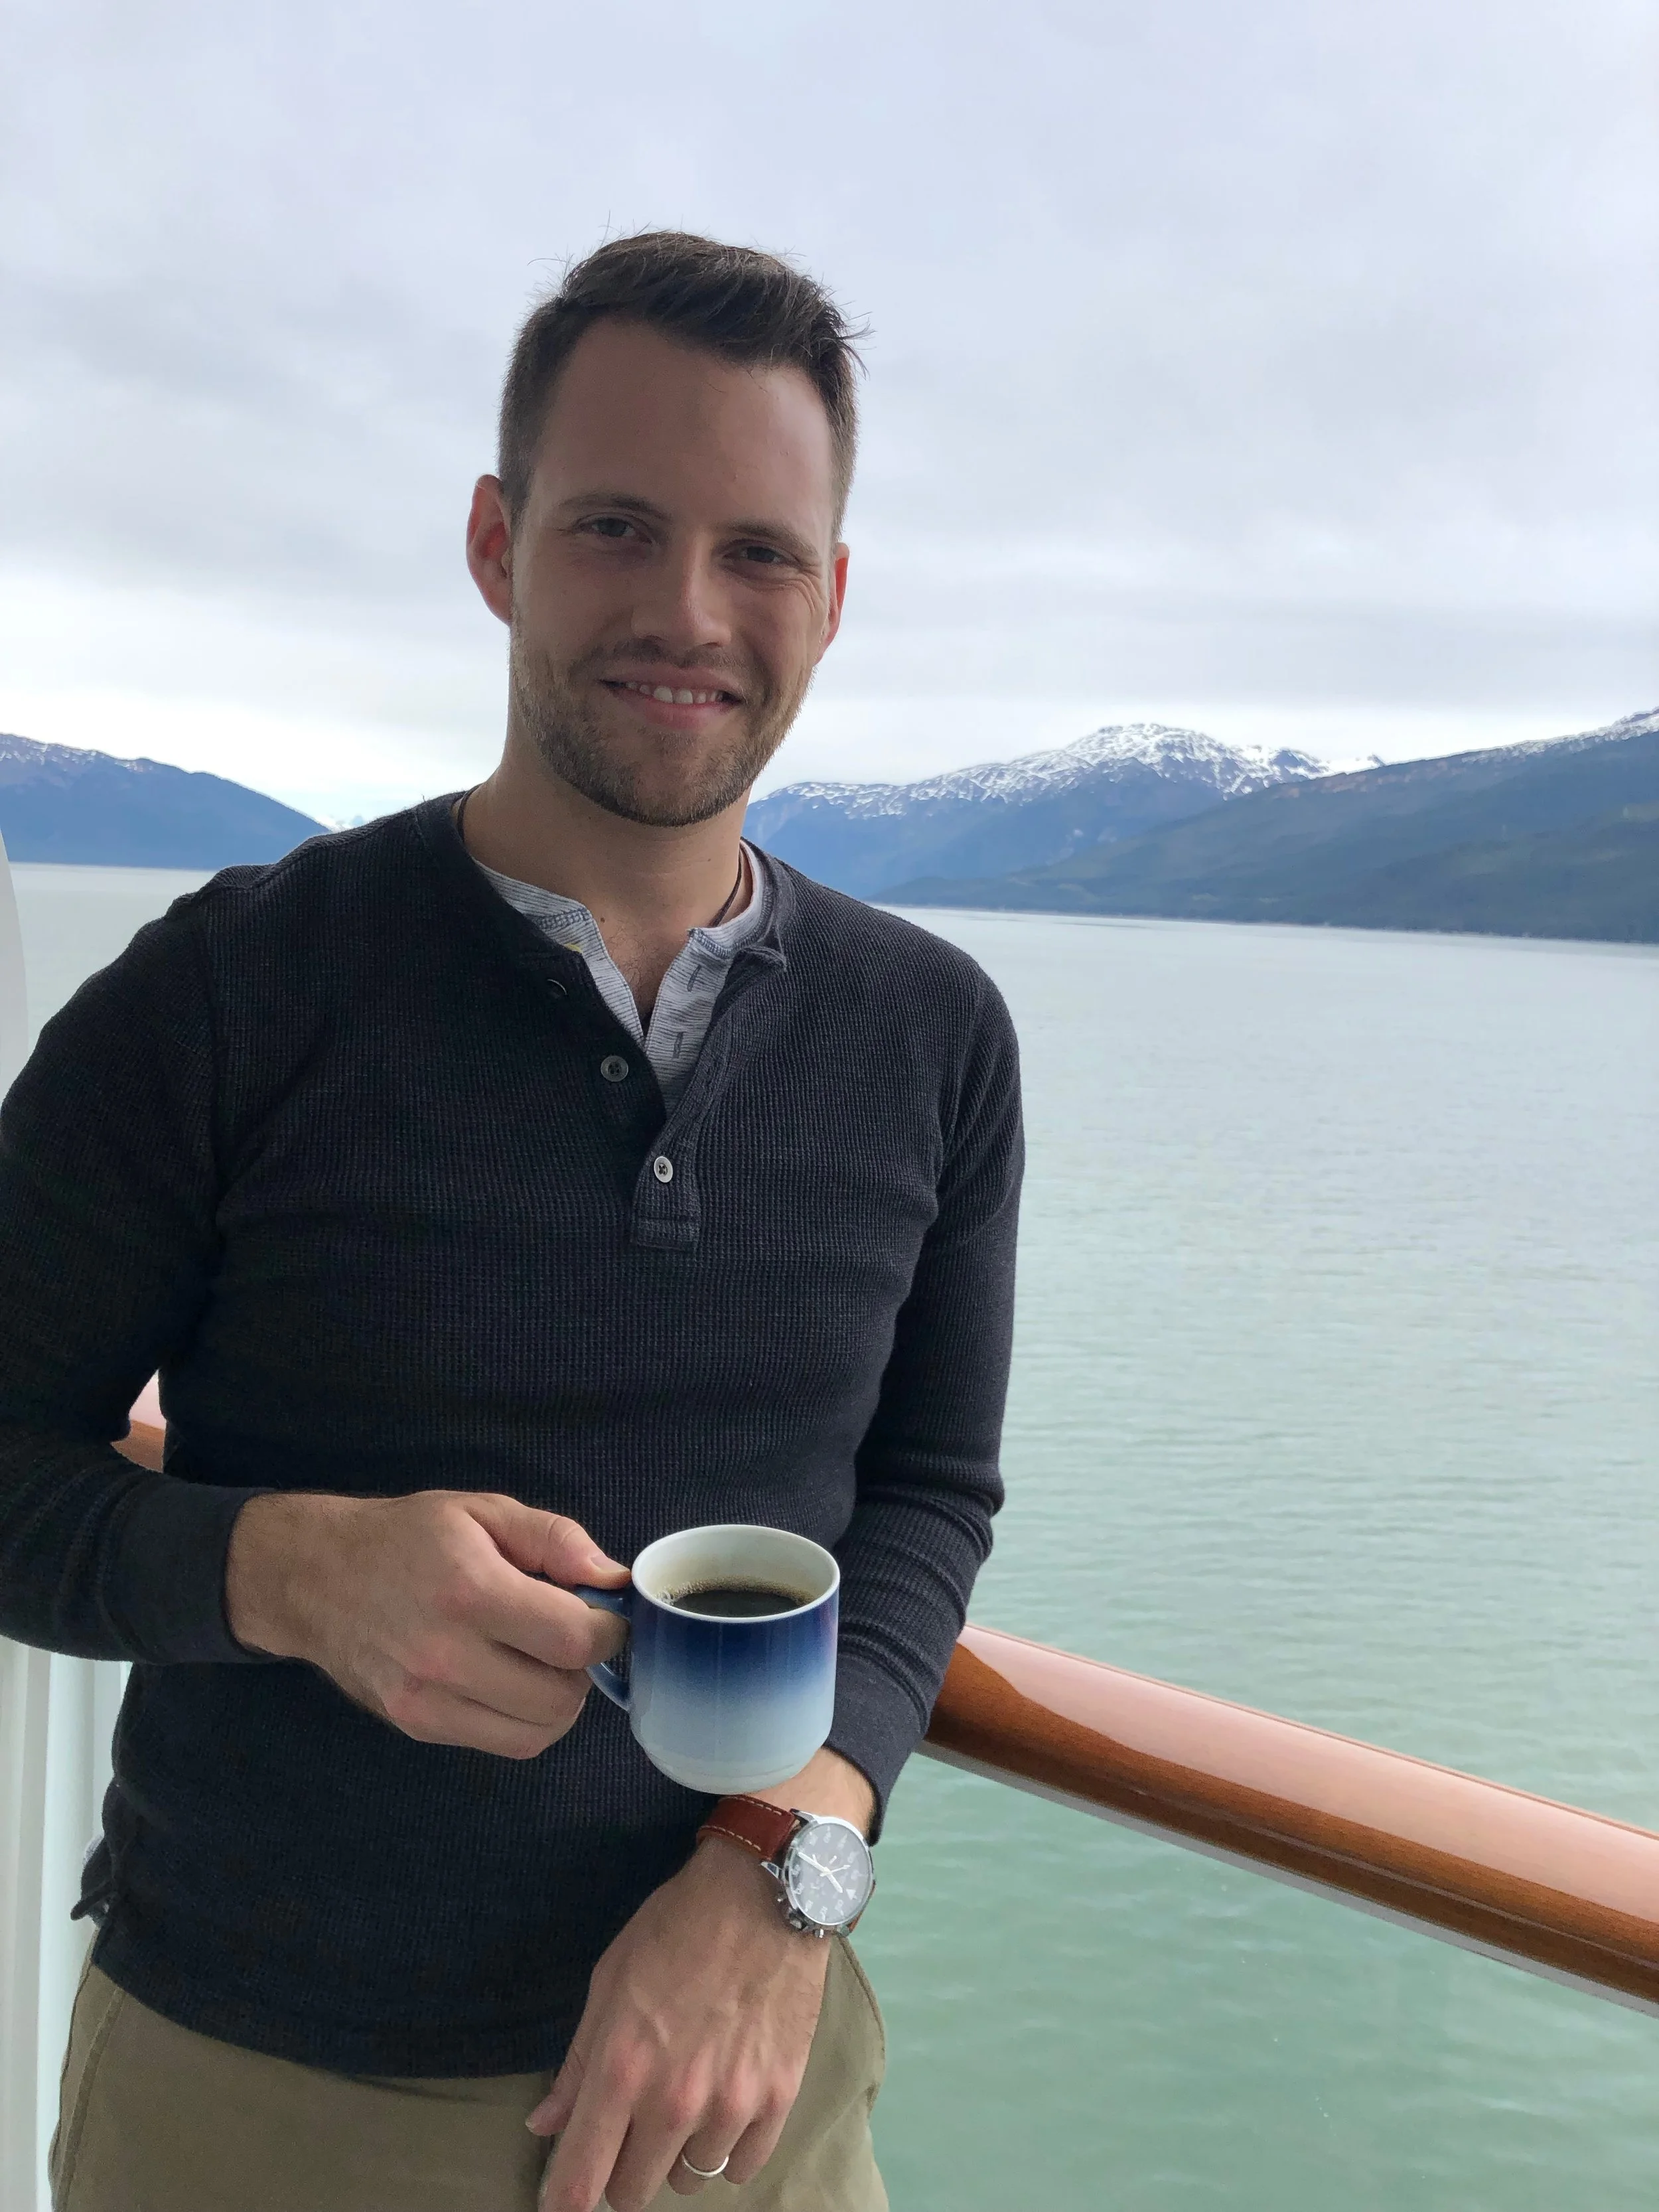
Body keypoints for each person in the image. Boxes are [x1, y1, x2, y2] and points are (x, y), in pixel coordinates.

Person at [0, 231, 1024, 2212]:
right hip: (262, 2095)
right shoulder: (229, 995)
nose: (686, 612)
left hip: (748, 2084)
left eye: (757, 552)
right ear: (497, 542)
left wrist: (783, 1863)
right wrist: (284, 1571)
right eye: (615, 527)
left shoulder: (931, 1034)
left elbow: (926, 1498)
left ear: (831, 597)